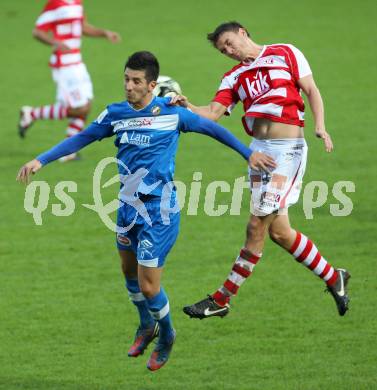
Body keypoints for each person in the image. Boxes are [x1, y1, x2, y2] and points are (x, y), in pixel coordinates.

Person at [17, 51, 275, 370]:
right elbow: (82, 138)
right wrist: (40, 159)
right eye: (126, 79)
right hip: (127, 208)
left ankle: (166, 335)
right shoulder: (115, 114)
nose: (129, 86)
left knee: (149, 285)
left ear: (152, 85)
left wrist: (247, 154)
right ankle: (146, 325)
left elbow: (214, 130)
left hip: (159, 212)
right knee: (128, 274)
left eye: (136, 81)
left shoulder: (172, 113)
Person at [171, 21, 350, 319]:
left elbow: (311, 90)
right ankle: (334, 277)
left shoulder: (285, 52)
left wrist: (320, 126)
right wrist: (186, 105)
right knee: (280, 233)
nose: (228, 51)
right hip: (259, 155)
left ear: (242, 32)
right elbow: (212, 114)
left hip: (287, 152)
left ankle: (222, 298)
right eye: (222, 50)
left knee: (256, 226)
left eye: (229, 42)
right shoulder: (233, 76)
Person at [18, 0, 121, 162]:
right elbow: (37, 32)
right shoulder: (55, 4)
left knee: (86, 105)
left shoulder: (77, 3)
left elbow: (83, 27)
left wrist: (104, 33)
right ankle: (32, 114)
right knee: (80, 108)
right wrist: (55, 42)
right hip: (63, 63)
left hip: (76, 61)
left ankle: (69, 153)